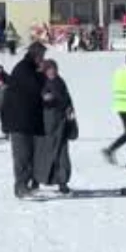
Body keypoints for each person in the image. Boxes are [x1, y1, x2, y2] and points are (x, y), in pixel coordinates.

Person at [0, 42, 47, 197]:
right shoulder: (24, 69)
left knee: (31, 155)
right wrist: (42, 73)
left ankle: (28, 184)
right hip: (19, 121)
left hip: (28, 120)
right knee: (22, 156)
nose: (44, 59)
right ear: (36, 55)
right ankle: (20, 187)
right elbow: (36, 89)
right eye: (42, 56)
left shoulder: (29, 68)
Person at [33, 59, 74, 193]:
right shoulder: (40, 83)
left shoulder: (60, 83)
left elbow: (67, 100)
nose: (52, 72)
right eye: (50, 69)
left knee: (62, 154)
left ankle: (62, 182)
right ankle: (35, 180)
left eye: (54, 69)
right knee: (41, 154)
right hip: (44, 125)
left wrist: (70, 113)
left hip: (60, 124)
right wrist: (44, 99)